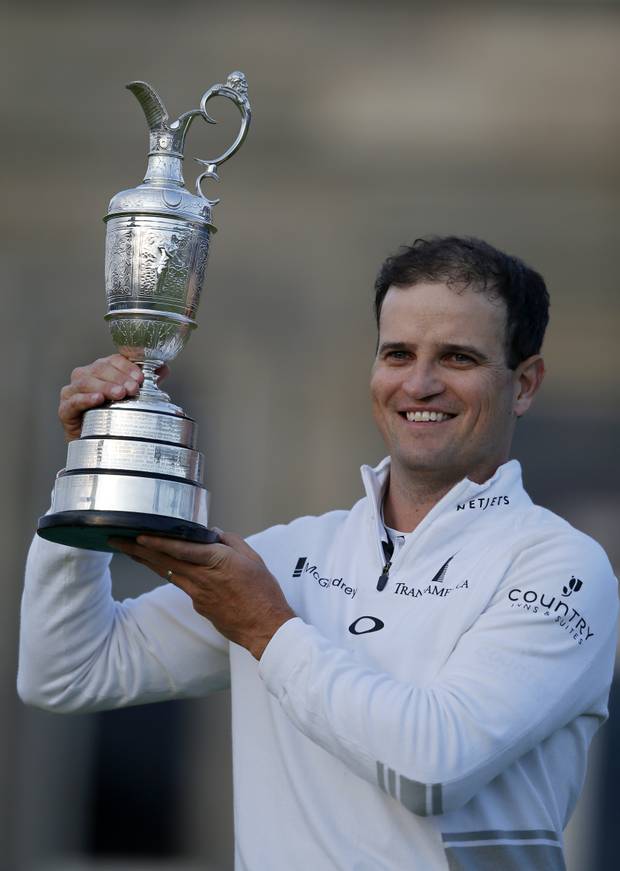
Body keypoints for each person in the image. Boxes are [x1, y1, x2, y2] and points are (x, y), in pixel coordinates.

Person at [19, 236, 617, 871]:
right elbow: (66, 672)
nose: (419, 384)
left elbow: (433, 768)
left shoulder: (562, 568)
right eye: (398, 354)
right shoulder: (294, 554)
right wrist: (94, 468)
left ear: (524, 384)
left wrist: (266, 629)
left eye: (458, 358)